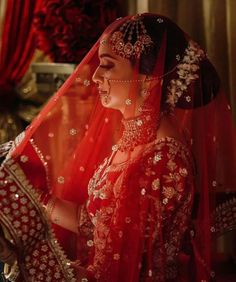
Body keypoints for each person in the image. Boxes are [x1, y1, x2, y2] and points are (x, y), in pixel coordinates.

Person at [0, 13, 236, 282]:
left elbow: (114, 273)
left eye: (108, 65)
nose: (96, 76)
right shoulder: (139, 140)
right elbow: (97, 225)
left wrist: (29, 256)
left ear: (149, 77)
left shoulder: (160, 157)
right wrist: (33, 195)